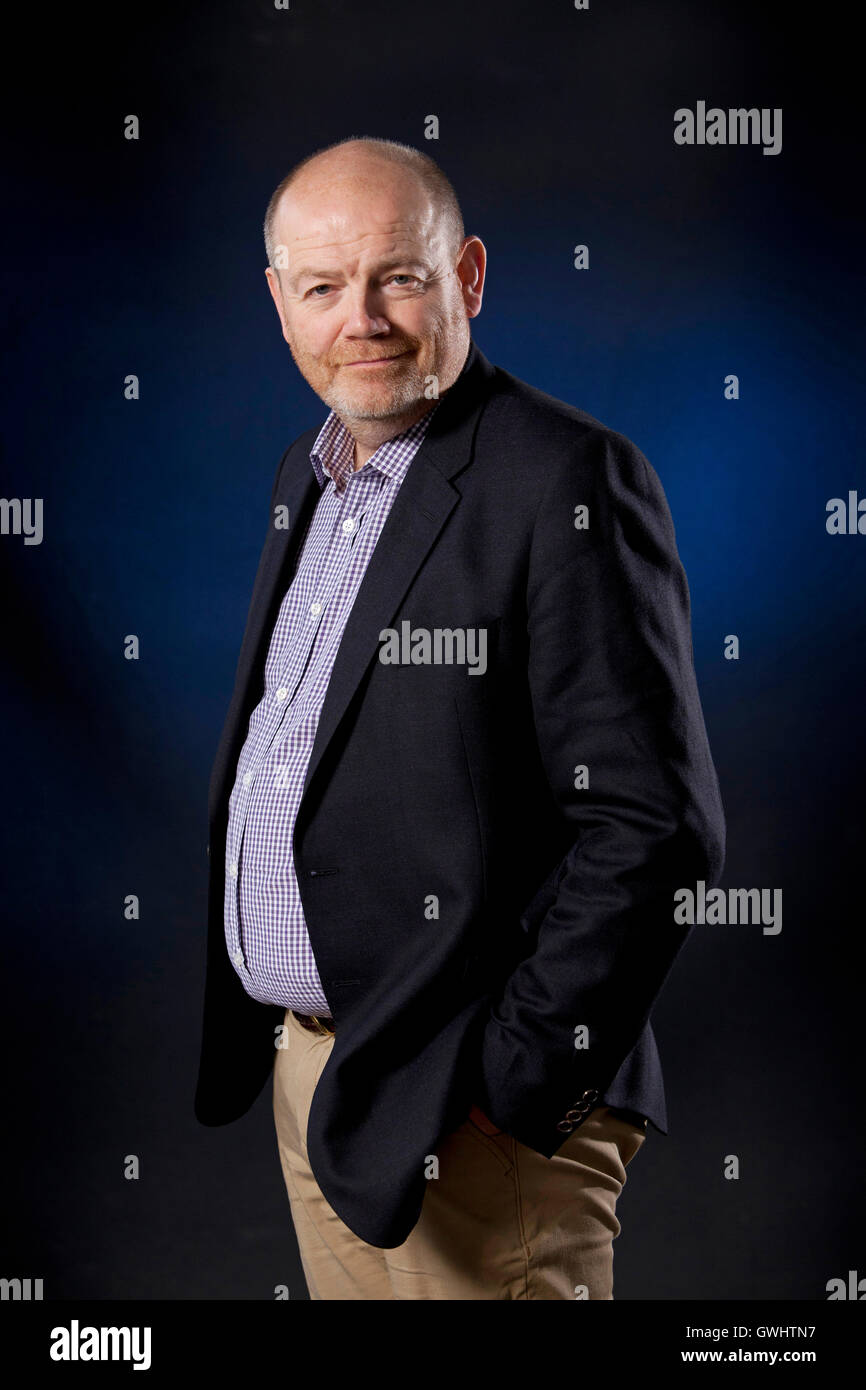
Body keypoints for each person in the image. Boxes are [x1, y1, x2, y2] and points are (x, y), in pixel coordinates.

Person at [194, 135, 726, 1300]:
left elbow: (654, 827)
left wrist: (514, 1079)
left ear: (467, 278)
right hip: (323, 1083)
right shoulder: (311, 471)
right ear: (280, 304)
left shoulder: (566, 478)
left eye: (398, 275)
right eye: (325, 287)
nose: (363, 320)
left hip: (465, 1112)